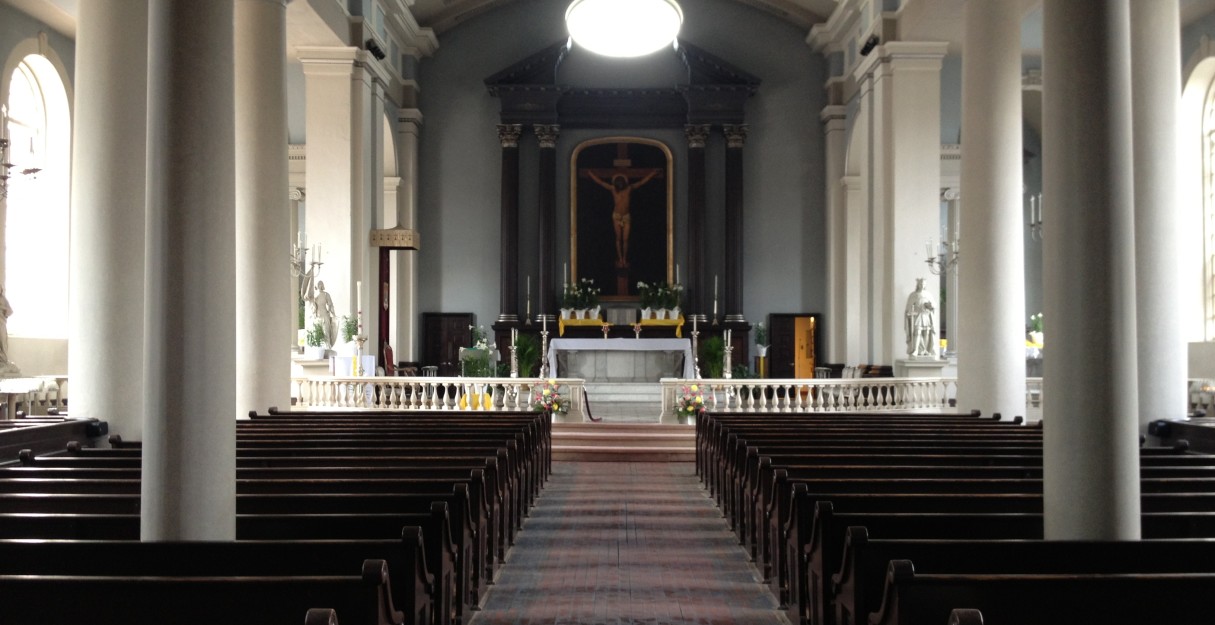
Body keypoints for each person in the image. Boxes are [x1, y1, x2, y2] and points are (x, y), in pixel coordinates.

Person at [588, 169, 659, 269]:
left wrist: (651, 174)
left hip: (626, 216)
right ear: (616, 183)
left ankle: (624, 258)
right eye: (619, 182)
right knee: (618, 239)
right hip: (617, 216)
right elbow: (600, 182)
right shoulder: (613, 189)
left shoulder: (629, 188)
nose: (620, 184)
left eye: (622, 182)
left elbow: (641, 182)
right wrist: (591, 174)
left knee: (625, 239)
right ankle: (620, 258)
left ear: (624, 182)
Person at [904, 278, 937, 358]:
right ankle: (916, 349)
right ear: (918, 285)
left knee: (926, 332)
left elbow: (933, 305)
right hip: (917, 315)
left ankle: (925, 349)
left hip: (926, 315)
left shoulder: (928, 294)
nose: (922, 285)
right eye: (921, 284)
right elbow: (909, 307)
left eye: (924, 284)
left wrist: (930, 306)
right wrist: (910, 312)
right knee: (917, 332)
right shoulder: (913, 295)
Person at [311, 280, 337, 348]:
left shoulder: (326, 294)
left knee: (326, 333)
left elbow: (330, 305)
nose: (319, 286)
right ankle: (317, 348)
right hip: (317, 316)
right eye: (318, 284)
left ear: (322, 285)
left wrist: (333, 314)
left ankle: (328, 347)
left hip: (325, 315)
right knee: (317, 334)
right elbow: (313, 307)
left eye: (320, 284)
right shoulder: (314, 296)